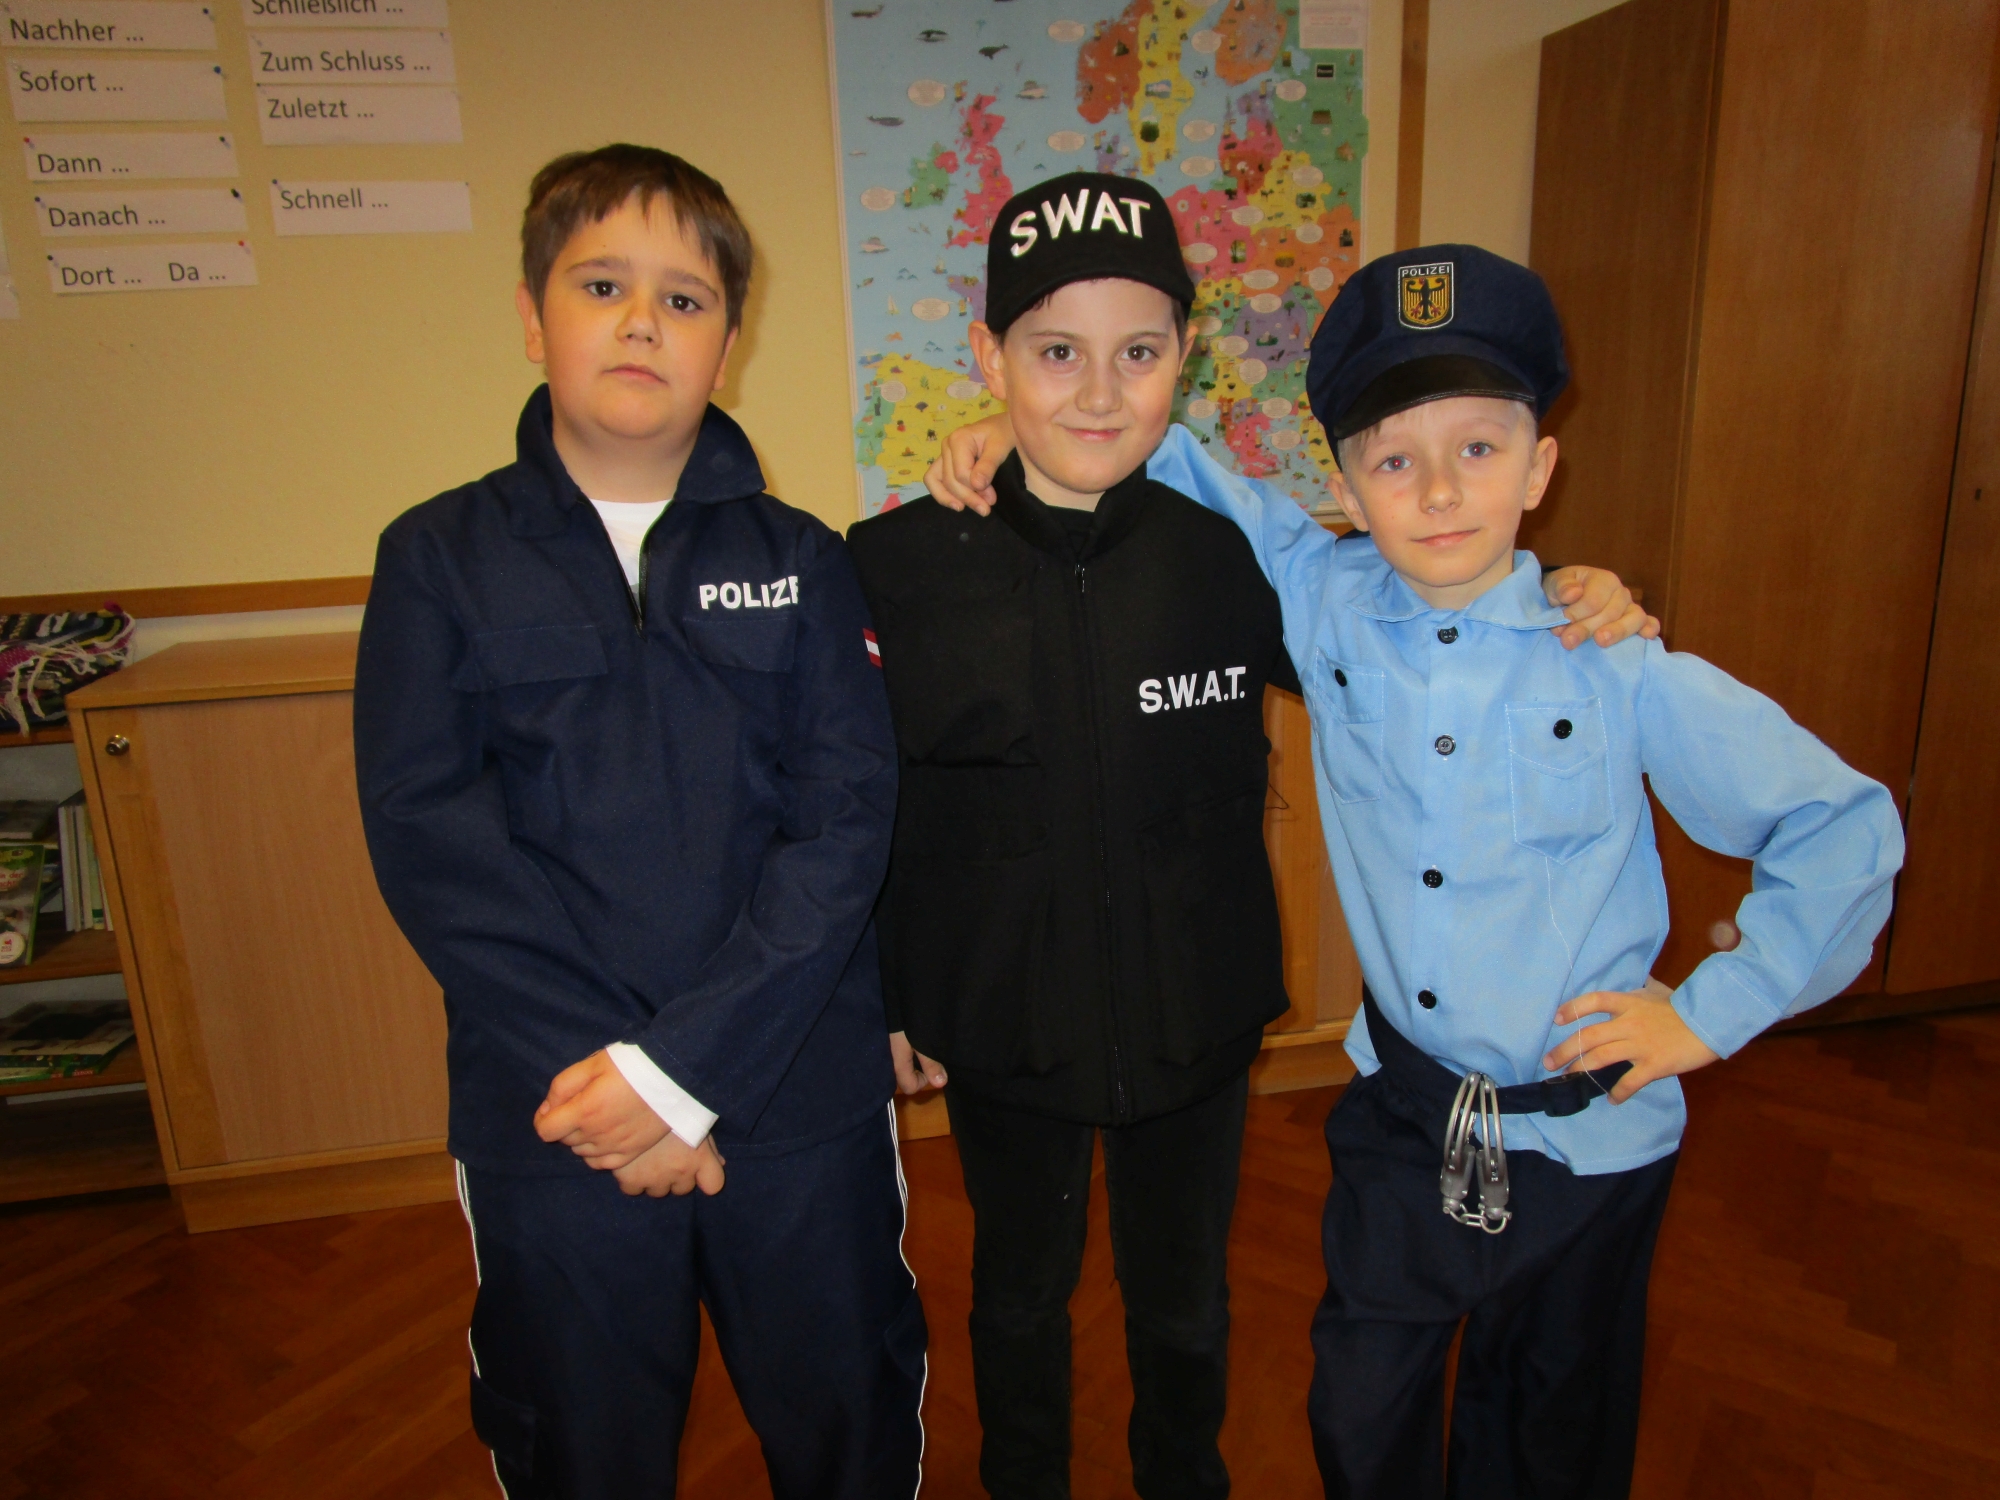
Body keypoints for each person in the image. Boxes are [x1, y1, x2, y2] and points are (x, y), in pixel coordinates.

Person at [927, 243, 1904, 1499]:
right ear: (1344, 484)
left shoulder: (1609, 658)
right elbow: (1163, 458)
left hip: (1591, 1146)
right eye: (1392, 461)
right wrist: (1008, 433)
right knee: (1359, 1414)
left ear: (1539, 468)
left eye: (1479, 448)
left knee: (1547, 1440)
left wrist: (1709, 1015)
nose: (1438, 491)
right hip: (1403, 1127)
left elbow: (1841, 826)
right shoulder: (1322, 602)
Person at [852, 176, 1653, 1500]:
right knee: (1016, 1297)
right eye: (1054, 353)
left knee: (1183, 1304)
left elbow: (1419, 622)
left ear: (1183, 357)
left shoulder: (1232, 558)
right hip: (999, 1019)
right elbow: (863, 800)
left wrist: (1574, 592)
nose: (1096, 391)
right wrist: (884, 997)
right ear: (988, 357)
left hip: (1194, 1016)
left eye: (1138, 353)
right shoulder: (894, 565)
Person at [353, 144, 924, 1500]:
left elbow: (844, 824)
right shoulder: (436, 559)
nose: (641, 323)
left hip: (794, 1097)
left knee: (846, 1416)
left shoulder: (803, 560)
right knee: (579, 1437)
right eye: (602, 285)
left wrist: (682, 1075)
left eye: (684, 299)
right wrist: (623, 1089)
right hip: (557, 1109)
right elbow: (433, 840)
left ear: (729, 344)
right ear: (531, 314)